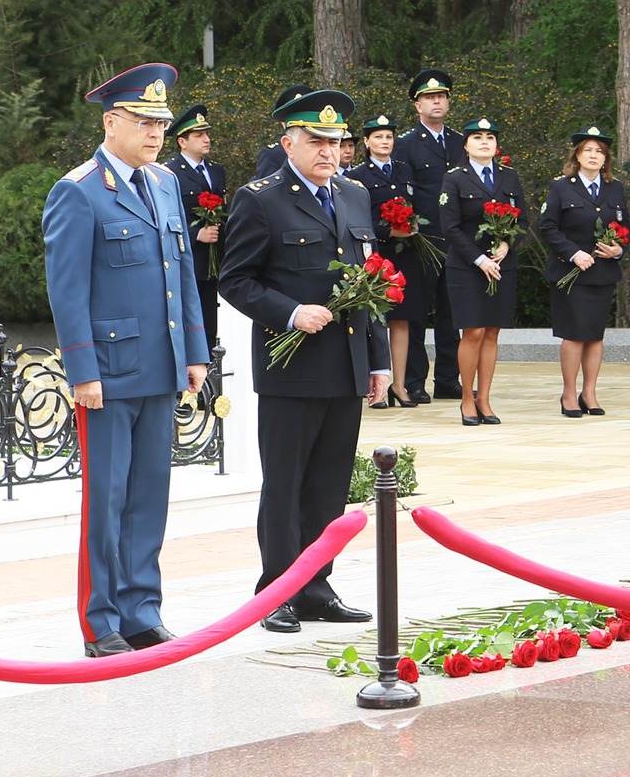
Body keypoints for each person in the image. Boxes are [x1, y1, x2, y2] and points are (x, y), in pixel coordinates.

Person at [43, 64, 209, 656]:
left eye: (161, 123)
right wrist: (82, 371)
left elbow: (182, 271)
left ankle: (142, 612)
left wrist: (194, 351)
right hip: (109, 375)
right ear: (111, 122)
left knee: (149, 497)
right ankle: (102, 621)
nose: (156, 132)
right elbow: (67, 291)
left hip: (160, 366)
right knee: (107, 500)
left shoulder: (164, 182)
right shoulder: (79, 189)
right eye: (143, 121)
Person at [218, 88, 390, 633]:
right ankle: (277, 592)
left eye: (335, 142)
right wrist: (291, 313)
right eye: (316, 141)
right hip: (291, 369)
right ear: (288, 142)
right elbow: (235, 280)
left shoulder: (355, 195)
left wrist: (379, 361)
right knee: (286, 484)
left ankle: (316, 587)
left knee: (329, 486)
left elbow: (371, 281)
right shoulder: (260, 199)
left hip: (345, 365)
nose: (328, 151)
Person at [537, 125, 630, 417]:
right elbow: (547, 227)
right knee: (574, 334)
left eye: (599, 151)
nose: (593, 155)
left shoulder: (615, 188)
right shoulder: (561, 187)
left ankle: (589, 392)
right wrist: (573, 253)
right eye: (587, 150)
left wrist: (618, 250)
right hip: (570, 273)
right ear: (576, 156)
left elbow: (625, 228)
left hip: (602, 273)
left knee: (595, 335)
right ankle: (568, 393)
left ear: (606, 159)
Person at [439, 117, 527, 425]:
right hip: (467, 267)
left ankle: (485, 399)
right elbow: (450, 227)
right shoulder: (454, 178)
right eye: (477, 137)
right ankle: (467, 398)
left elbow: (522, 220)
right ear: (465, 145)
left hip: (502, 265)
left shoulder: (509, 176)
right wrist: (479, 259)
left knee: (491, 332)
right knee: (473, 331)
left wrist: (507, 243)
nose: (484, 142)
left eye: (490, 137)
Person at [349, 113, 424, 408]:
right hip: (376, 254)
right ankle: (374, 385)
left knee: (402, 319)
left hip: (405, 253)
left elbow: (414, 206)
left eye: (389, 136)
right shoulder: (358, 176)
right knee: (375, 319)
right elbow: (357, 218)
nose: (385, 141)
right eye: (378, 137)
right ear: (367, 142)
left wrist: (411, 225)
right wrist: (387, 231)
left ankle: (400, 385)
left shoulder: (405, 170)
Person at [394, 69, 460, 401]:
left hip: (457, 241)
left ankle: (448, 379)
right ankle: (414, 380)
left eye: (441, 97)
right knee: (416, 312)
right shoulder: (406, 144)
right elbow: (401, 190)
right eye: (429, 97)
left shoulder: (461, 142)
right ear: (417, 105)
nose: (437, 102)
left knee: (453, 313)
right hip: (422, 240)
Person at [162, 103, 229, 351]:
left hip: (215, 259)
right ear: (182, 142)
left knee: (211, 323)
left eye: (206, 134)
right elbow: (165, 219)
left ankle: (210, 367)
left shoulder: (216, 171)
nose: (206, 139)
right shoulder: (169, 173)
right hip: (188, 258)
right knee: (189, 320)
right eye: (199, 135)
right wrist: (196, 234)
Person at [253, 83, 314, 179]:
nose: (302, 122)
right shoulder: (273, 154)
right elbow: (268, 187)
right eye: (294, 120)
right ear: (283, 123)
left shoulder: (331, 149)